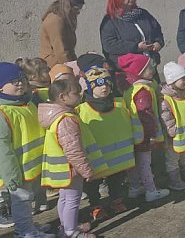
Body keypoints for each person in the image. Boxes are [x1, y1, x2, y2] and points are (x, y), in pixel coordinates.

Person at [40, 78, 103, 238]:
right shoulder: (66, 119)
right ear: (62, 97)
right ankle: (70, 232)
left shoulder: (57, 117)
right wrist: (86, 170)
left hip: (63, 169)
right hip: (71, 169)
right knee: (73, 200)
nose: (80, 95)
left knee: (65, 198)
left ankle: (66, 226)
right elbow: (74, 149)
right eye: (76, 93)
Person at [0, 63, 53, 238]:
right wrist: (11, 175)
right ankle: (24, 231)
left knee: (27, 201)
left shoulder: (27, 103)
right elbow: (3, 149)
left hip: (31, 166)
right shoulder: (3, 112)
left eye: (21, 79)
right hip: (17, 170)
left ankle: (28, 225)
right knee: (21, 201)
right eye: (13, 81)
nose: (20, 84)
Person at [76, 66, 133, 221]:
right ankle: (95, 206)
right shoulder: (81, 109)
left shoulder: (119, 103)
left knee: (116, 179)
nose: (104, 87)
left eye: (107, 83)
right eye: (99, 84)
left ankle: (116, 201)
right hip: (95, 157)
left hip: (117, 157)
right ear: (90, 87)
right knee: (93, 184)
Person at [118, 53, 170, 201]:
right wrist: (151, 134)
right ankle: (151, 191)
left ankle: (135, 187)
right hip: (144, 134)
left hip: (133, 132)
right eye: (149, 68)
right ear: (139, 72)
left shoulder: (130, 89)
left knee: (134, 163)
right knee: (145, 163)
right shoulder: (143, 90)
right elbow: (146, 114)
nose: (152, 70)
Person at [100, 0, 165, 69]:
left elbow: (157, 31)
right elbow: (109, 45)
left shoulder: (143, 14)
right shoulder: (110, 20)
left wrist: (158, 43)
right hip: (127, 68)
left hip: (149, 64)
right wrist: (136, 47)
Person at [159, 62, 185, 191]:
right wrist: (172, 131)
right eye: (182, 78)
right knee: (173, 159)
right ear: (172, 81)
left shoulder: (182, 92)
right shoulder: (166, 99)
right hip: (174, 137)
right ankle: (175, 181)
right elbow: (166, 117)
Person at [39, 0, 85, 68]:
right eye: (77, 9)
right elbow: (61, 50)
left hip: (61, 62)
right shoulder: (55, 21)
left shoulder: (62, 19)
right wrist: (73, 69)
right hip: (53, 65)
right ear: (69, 7)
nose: (78, 12)